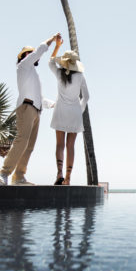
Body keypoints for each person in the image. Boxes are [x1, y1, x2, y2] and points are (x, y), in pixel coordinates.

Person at [0, 33, 60, 186]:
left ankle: (18, 177)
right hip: (26, 107)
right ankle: (4, 172)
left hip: (36, 110)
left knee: (29, 146)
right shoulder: (23, 66)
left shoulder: (33, 74)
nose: (33, 55)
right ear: (24, 56)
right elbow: (40, 50)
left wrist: (54, 104)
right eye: (29, 53)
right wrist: (52, 39)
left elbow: (40, 98)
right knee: (21, 141)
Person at [48, 36, 89, 185]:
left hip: (60, 111)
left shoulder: (59, 73)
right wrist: (80, 110)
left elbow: (50, 62)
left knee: (59, 144)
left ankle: (59, 173)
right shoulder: (80, 76)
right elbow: (86, 97)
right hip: (74, 113)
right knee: (70, 146)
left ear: (65, 62)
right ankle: (68, 178)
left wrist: (57, 46)